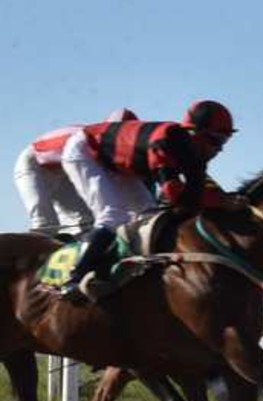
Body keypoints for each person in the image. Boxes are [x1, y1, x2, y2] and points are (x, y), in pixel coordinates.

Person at [56, 99, 245, 300]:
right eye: (215, 141)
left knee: (149, 214)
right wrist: (221, 202)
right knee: (113, 214)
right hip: (85, 151)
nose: (219, 149)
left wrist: (225, 200)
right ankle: (74, 278)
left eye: (224, 142)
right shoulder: (165, 142)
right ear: (194, 133)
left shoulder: (194, 153)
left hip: (114, 161)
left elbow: (194, 194)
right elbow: (174, 194)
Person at [12, 108, 139, 238]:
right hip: (32, 163)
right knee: (45, 224)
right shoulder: (95, 140)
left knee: (85, 221)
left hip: (62, 167)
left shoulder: (102, 139)